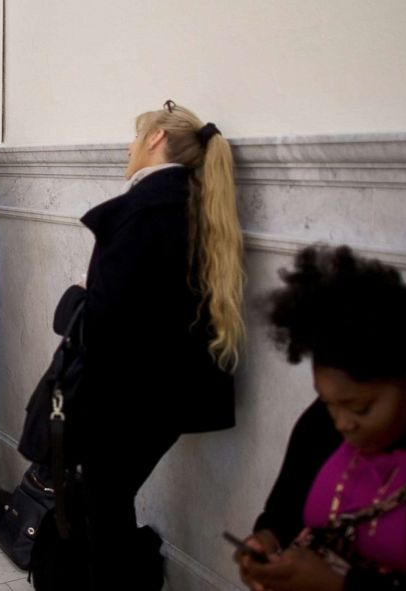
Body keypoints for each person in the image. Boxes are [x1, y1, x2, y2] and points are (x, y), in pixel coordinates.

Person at [33, 101, 246, 590]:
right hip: (165, 392)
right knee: (108, 500)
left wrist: (75, 302)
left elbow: (111, 317)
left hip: (131, 394)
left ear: (154, 140)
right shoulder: (189, 199)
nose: (128, 147)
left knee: (105, 506)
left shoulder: (147, 208)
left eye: (133, 137)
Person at [234, 245, 406, 591]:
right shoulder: (323, 423)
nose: (343, 423)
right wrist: (265, 542)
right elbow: (283, 511)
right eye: (329, 403)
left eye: (360, 409)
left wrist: (336, 585)